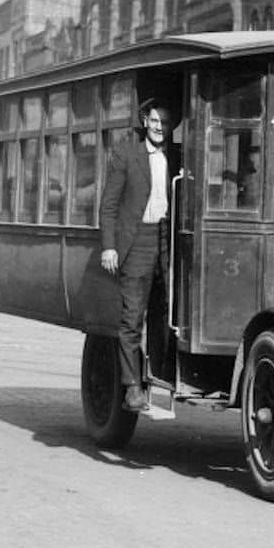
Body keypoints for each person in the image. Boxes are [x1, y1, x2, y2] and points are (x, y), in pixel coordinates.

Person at [99, 98, 177, 412]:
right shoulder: (126, 154)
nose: (160, 128)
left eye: (166, 123)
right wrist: (109, 246)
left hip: (167, 241)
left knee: (165, 314)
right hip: (137, 243)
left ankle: (158, 376)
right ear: (145, 121)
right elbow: (109, 206)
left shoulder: (178, 157)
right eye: (155, 121)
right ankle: (132, 387)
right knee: (132, 318)